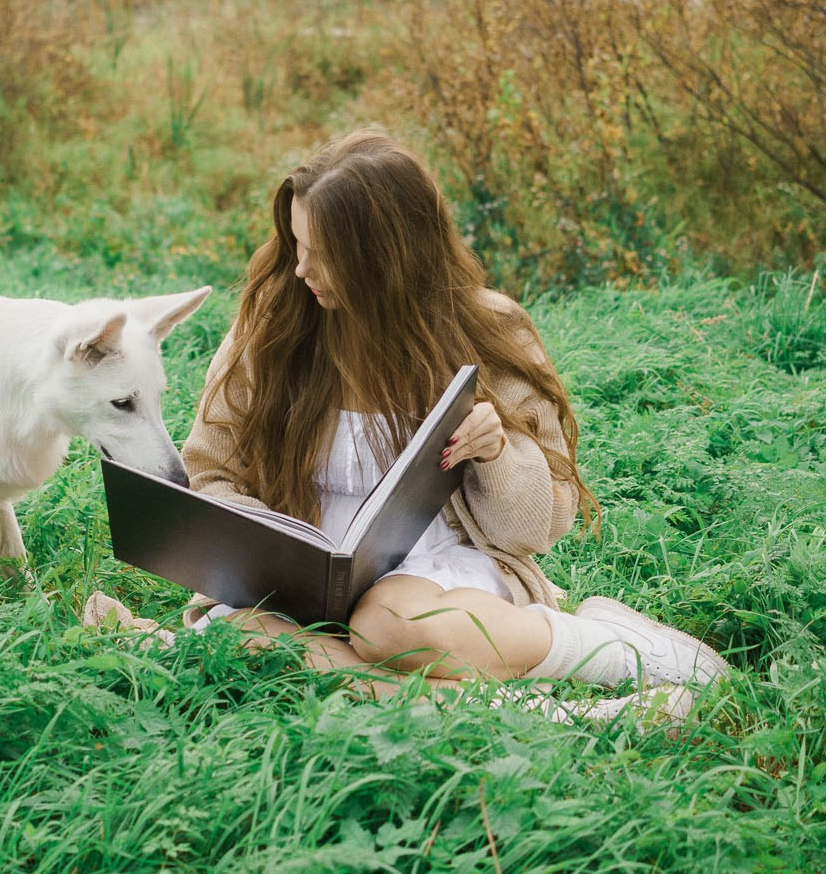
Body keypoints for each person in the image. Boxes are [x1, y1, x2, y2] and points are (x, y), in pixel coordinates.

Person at [161, 128, 724, 711]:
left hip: (435, 574)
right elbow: (211, 477)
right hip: (294, 580)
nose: (302, 268)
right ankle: (551, 714)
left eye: (324, 253)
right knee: (247, 637)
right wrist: (274, 554)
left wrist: (498, 455)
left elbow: (537, 527)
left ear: (387, 254)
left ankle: (608, 645)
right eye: (296, 244)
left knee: (387, 626)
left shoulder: (488, 330)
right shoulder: (271, 332)